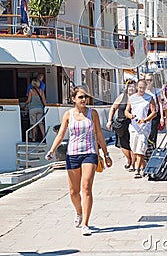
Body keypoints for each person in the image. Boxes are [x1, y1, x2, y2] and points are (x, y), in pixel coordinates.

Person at [45, 85, 112, 236]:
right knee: (74, 191)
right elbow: (61, 135)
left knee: (86, 187)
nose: (84, 100)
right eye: (80, 97)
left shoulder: (92, 113)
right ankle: (79, 212)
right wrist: (52, 150)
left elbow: (99, 134)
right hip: (72, 154)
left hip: (90, 153)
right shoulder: (68, 115)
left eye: (85, 97)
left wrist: (106, 154)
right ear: (73, 99)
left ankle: (86, 224)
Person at [125, 79, 157, 178]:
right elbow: (126, 111)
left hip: (144, 127)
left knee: (141, 147)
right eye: (139, 88)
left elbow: (154, 112)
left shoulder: (149, 98)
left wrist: (145, 120)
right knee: (134, 147)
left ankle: (137, 170)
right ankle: (144, 166)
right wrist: (130, 116)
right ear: (136, 87)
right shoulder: (132, 98)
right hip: (134, 126)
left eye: (143, 88)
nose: (141, 89)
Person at [106, 80, 136, 171]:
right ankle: (129, 160)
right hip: (121, 123)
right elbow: (113, 108)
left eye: (133, 86)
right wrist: (109, 120)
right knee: (122, 144)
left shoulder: (138, 98)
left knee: (133, 144)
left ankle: (133, 164)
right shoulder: (122, 97)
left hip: (133, 123)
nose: (131, 88)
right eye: (129, 86)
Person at [23, 77, 46, 142]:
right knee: (40, 123)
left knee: (33, 124)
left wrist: (24, 105)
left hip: (32, 109)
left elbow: (28, 100)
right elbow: (44, 101)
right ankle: (44, 136)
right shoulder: (41, 91)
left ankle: (33, 138)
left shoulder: (31, 91)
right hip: (40, 108)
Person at [145, 74, 164, 146]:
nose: (149, 82)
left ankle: (152, 149)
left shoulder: (156, 91)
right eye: (147, 80)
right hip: (145, 115)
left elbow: (160, 104)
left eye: (150, 80)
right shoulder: (143, 91)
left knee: (153, 135)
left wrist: (162, 117)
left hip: (154, 115)